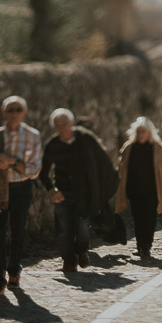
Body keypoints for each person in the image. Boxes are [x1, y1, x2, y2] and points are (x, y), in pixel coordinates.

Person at [0, 95, 42, 296]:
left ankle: (14, 271)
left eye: (17, 109)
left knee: (18, 231)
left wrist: (12, 161)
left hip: (21, 188)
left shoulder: (32, 136)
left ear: (24, 112)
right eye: (10, 109)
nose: (13, 113)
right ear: (4, 112)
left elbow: (35, 169)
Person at [38, 108, 116, 273]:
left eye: (65, 123)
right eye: (58, 125)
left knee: (82, 226)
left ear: (72, 123)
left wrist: (101, 188)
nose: (62, 127)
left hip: (84, 193)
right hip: (62, 193)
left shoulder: (85, 139)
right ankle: (69, 261)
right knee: (64, 228)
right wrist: (52, 190)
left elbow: (103, 161)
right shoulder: (52, 145)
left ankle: (81, 251)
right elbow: (43, 172)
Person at [115, 116, 162, 259]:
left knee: (149, 219)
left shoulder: (158, 148)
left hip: (153, 190)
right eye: (139, 131)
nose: (141, 134)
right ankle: (139, 246)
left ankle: (146, 246)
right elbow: (121, 168)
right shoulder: (129, 148)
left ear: (149, 132)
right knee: (137, 219)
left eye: (144, 131)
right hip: (134, 190)